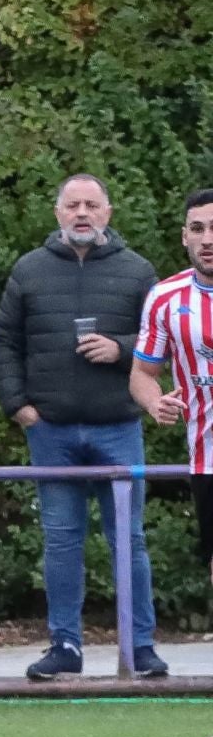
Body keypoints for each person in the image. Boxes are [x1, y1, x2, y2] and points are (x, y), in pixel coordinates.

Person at [0, 174, 166, 680]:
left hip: (118, 425)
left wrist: (121, 349)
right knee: (61, 542)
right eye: (73, 205)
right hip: (51, 430)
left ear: (108, 213)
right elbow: (5, 342)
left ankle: (141, 646)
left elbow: (163, 340)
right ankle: (65, 645)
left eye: (92, 205)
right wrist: (18, 406)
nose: (82, 213)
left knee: (129, 540)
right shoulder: (29, 269)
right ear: (58, 213)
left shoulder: (138, 272)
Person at [131, 188, 213, 610]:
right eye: (197, 229)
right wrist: (154, 402)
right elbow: (142, 374)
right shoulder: (165, 297)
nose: (207, 239)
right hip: (208, 456)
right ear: (184, 237)